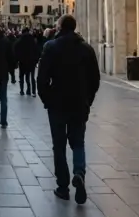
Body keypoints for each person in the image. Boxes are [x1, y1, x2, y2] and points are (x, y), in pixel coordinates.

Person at [37, 14, 100, 203]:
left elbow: (41, 79)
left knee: (59, 145)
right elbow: (95, 80)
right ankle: (79, 172)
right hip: (79, 103)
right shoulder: (86, 49)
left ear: (60, 27)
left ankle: (62, 186)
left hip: (57, 103)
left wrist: (47, 99)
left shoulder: (51, 47)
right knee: (78, 142)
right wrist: (88, 99)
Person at [14, 26, 40, 97]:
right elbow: (37, 51)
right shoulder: (33, 40)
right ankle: (32, 91)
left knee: (22, 76)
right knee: (31, 77)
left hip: (22, 61)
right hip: (32, 61)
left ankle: (22, 90)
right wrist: (36, 60)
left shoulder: (19, 40)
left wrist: (16, 61)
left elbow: (16, 50)